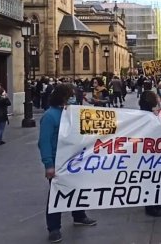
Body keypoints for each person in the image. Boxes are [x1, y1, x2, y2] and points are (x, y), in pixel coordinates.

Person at [38, 84, 97, 242]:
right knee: (57, 195)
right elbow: (44, 142)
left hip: (74, 160)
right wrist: (48, 164)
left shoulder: (71, 113)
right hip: (58, 163)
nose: (73, 97)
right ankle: (54, 228)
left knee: (77, 190)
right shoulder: (50, 116)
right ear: (62, 97)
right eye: (70, 95)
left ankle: (79, 215)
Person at [138, 90, 161, 217]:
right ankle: (150, 206)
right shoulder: (146, 117)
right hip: (149, 154)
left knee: (154, 179)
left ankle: (155, 201)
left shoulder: (147, 115)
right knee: (150, 180)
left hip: (153, 153)